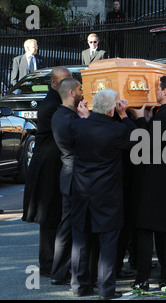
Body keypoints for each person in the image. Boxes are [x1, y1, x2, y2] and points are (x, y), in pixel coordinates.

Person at [70, 89, 136, 300]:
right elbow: (137, 138)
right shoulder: (116, 129)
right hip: (107, 193)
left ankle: (79, 285)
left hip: (81, 191)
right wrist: (125, 115)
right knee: (108, 242)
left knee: (80, 240)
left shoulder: (78, 125)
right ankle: (106, 290)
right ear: (111, 110)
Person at [130, 75, 166, 290]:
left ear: (164, 92)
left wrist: (137, 119)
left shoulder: (165, 117)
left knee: (146, 229)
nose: (155, 91)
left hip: (154, 181)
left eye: (157, 88)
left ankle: (143, 278)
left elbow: (144, 144)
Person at [22, 66, 72, 277]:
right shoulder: (52, 106)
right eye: (65, 80)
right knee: (49, 215)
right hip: (48, 166)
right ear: (54, 84)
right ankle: (48, 263)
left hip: (51, 163)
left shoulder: (55, 101)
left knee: (52, 213)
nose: (69, 84)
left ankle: (51, 262)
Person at [50, 78, 90, 286]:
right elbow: (87, 140)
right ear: (72, 93)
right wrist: (87, 119)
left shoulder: (60, 114)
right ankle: (67, 272)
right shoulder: (72, 119)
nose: (83, 92)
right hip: (76, 175)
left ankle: (58, 271)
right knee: (73, 227)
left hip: (67, 174)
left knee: (66, 225)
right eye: (81, 89)